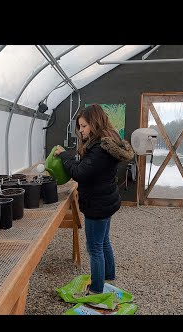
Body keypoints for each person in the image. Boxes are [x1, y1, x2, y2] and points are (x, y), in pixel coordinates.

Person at [54, 104, 134, 294]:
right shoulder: (108, 142)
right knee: (104, 241)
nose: (81, 131)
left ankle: (97, 289)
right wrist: (70, 154)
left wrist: (65, 156)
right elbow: (88, 165)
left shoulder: (99, 148)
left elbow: (80, 172)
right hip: (107, 200)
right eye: (80, 127)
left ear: (95, 123)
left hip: (97, 204)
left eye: (83, 126)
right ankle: (109, 275)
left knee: (94, 247)